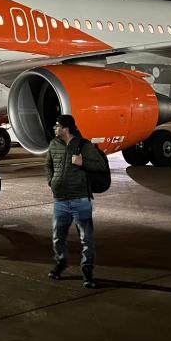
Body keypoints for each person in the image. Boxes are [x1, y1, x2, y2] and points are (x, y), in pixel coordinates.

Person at [45, 113, 107, 288]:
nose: (54, 128)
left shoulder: (83, 145)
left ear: (66, 128)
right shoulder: (54, 144)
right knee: (58, 237)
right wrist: (52, 181)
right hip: (60, 200)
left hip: (80, 199)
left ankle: (87, 270)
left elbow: (100, 165)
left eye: (57, 126)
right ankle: (61, 263)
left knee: (86, 238)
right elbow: (48, 165)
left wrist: (83, 162)